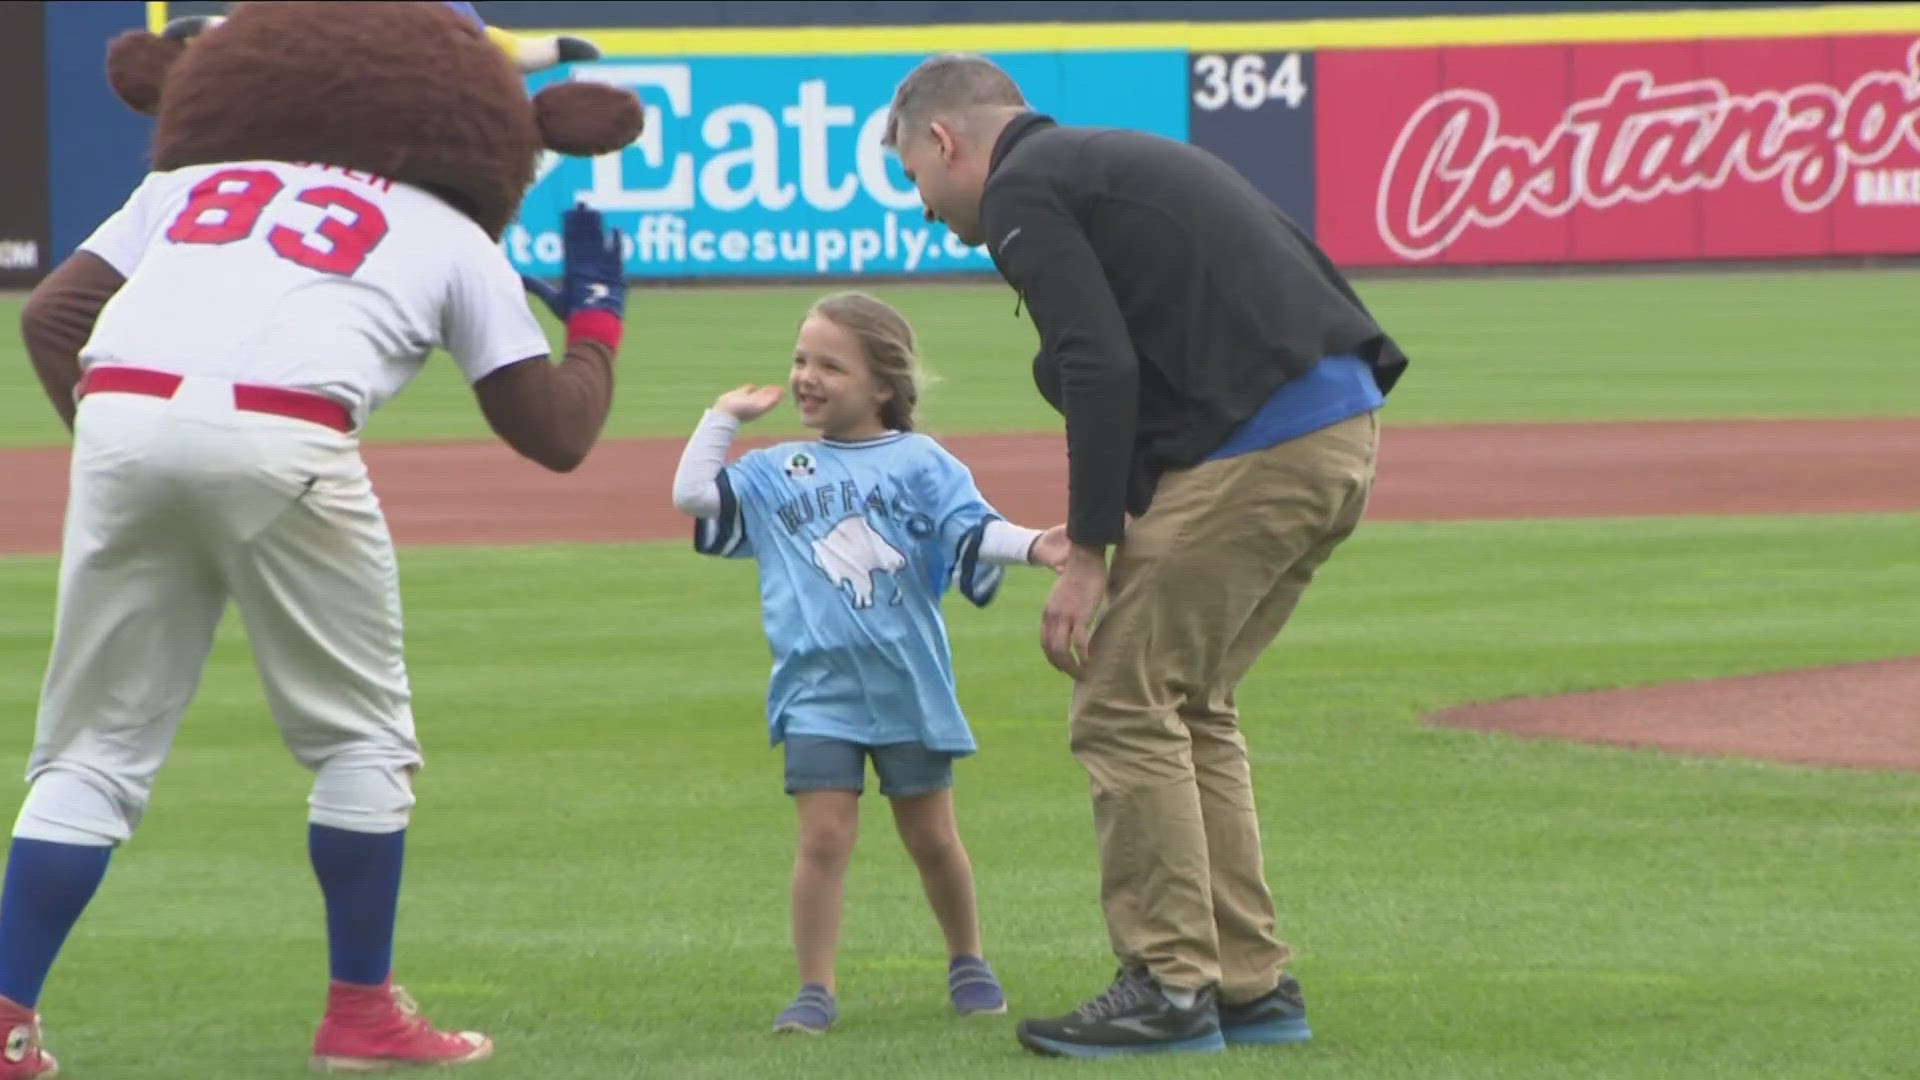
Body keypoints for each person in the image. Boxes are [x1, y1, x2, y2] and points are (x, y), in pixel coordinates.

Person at [0, 3, 644, 1074]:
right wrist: (598, 322)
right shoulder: (449, 227)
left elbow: (51, 318)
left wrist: (144, 458)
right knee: (361, 743)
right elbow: (557, 433)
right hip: (284, 432)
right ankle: (361, 1017)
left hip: (119, 416)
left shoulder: (191, 180)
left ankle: (5, 1019)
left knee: (89, 755)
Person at [880, 53, 1411, 1058]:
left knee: (1123, 702)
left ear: (945, 141)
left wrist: (1087, 554)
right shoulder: (1103, 161)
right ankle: (1249, 986)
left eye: (915, 178)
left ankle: (1168, 985)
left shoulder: (1024, 189)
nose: (924, 207)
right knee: (1189, 701)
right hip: (1333, 433)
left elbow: (1097, 363)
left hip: (1263, 446)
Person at [671, 291, 1069, 1035]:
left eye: (830, 365)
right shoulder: (774, 469)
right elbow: (693, 495)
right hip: (815, 692)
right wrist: (723, 415)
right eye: (800, 360)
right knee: (823, 838)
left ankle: (968, 959)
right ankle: (815, 988)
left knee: (932, 838)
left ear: (884, 385)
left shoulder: (921, 460)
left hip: (908, 686)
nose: (806, 377)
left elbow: (971, 531)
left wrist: (1038, 543)